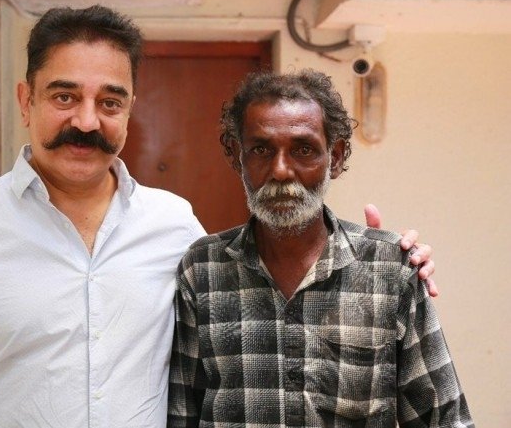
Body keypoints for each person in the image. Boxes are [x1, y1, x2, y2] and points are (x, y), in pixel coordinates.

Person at [0, 6, 435, 427]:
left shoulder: (174, 225)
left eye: (110, 102)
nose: (87, 121)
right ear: (27, 101)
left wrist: (378, 263)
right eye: (64, 96)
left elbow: (258, 296)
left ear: (130, 111)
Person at [168, 70, 473, 427]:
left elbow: (444, 419)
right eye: (261, 149)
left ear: (336, 157)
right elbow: (181, 416)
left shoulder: (391, 270)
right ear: (238, 157)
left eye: (303, 150)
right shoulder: (202, 269)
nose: (281, 171)